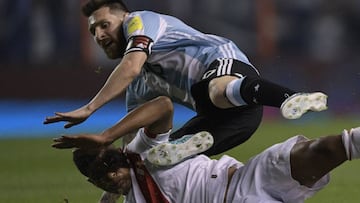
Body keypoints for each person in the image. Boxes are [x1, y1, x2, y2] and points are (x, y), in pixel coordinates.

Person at [45, 0, 328, 156]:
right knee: (158, 158)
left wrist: (89, 109)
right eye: (94, 32)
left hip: (223, 64)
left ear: (124, 17)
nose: (99, 35)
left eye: (104, 25)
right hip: (236, 119)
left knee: (213, 91)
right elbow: (133, 142)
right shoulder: (142, 82)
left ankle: (290, 97)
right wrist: (114, 190)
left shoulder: (140, 21)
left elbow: (130, 66)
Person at [53, 96, 360, 203]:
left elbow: (162, 106)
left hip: (245, 178)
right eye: (102, 183)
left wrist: (107, 135)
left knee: (321, 150)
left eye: (110, 175)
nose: (112, 182)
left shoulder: (143, 152)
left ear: (117, 159)